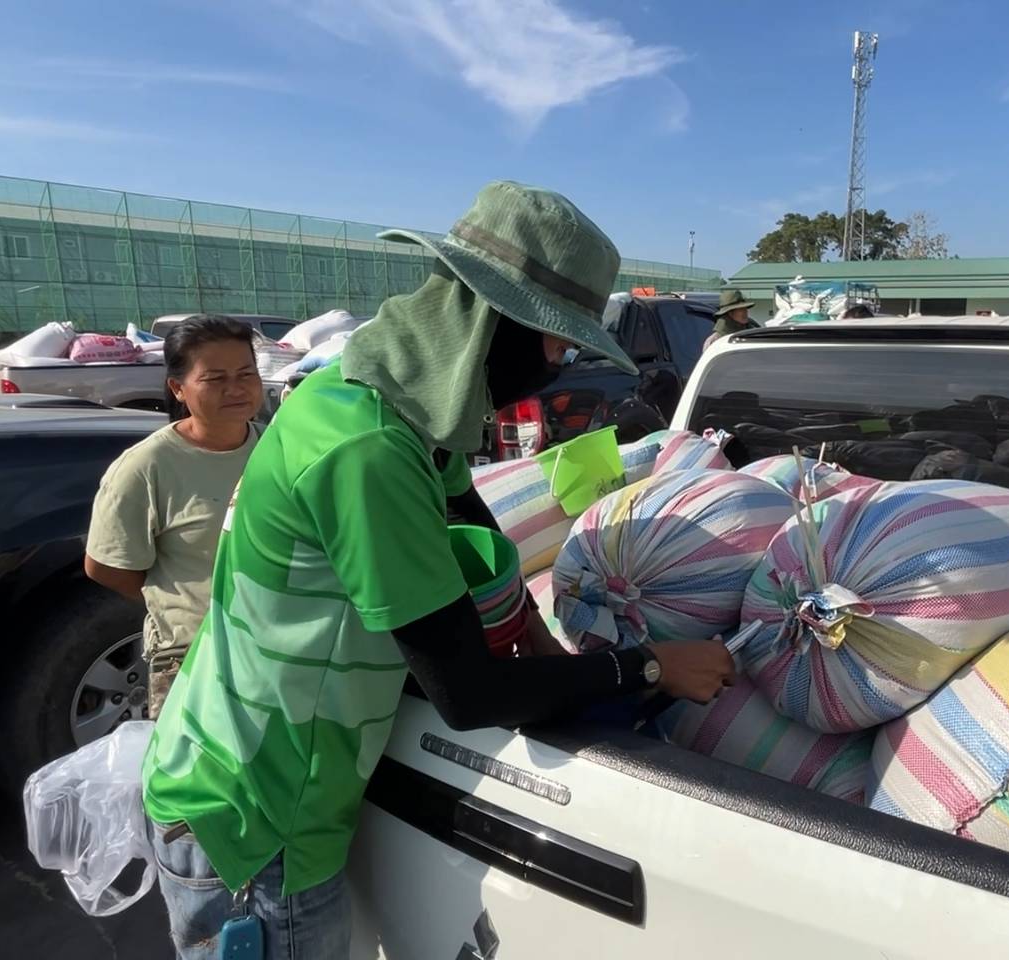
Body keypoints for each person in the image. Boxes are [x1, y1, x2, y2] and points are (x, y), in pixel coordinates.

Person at [142, 182, 737, 960]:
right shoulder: (369, 452)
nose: (559, 364)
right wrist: (648, 665)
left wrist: (536, 636)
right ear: (495, 322)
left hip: (252, 774)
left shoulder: (385, 401)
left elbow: (469, 517)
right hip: (256, 823)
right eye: (555, 342)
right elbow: (467, 695)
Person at [84, 315, 263, 717]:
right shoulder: (147, 466)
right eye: (215, 379)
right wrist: (177, 602)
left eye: (246, 374)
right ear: (178, 388)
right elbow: (106, 566)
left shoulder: (278, 447)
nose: (236, 388)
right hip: (194, 657)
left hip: (276, 650)